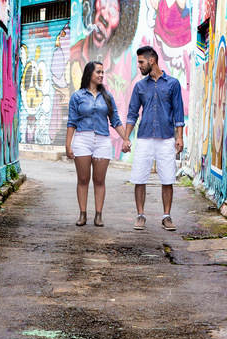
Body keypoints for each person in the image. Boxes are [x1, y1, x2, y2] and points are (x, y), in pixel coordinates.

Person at [123, 46, 185, 231]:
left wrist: (180, 137)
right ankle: (140, 215)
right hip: (144, 138)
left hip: (166, 138)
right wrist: (126, 138)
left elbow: (178, 112)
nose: (139, 66)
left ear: (152, 61)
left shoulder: (173, 84)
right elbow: (132, 113)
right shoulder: (140, 86)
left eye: (141, 62)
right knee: (139, 178)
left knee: (168, 179)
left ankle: (166, 217)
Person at [65, 61, 128, 227]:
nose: (101, 75)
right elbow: (72, 122)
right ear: (89, 74)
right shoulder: (77, 96)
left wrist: (126, 138)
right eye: (98, 72)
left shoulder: (107, 97)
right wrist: (68, 145)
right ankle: (82, 214)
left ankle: (98, 215)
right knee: (83, 179)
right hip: (82, 139)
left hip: (102, 140)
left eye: (102, 72)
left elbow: (115, 121)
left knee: (99, 180)